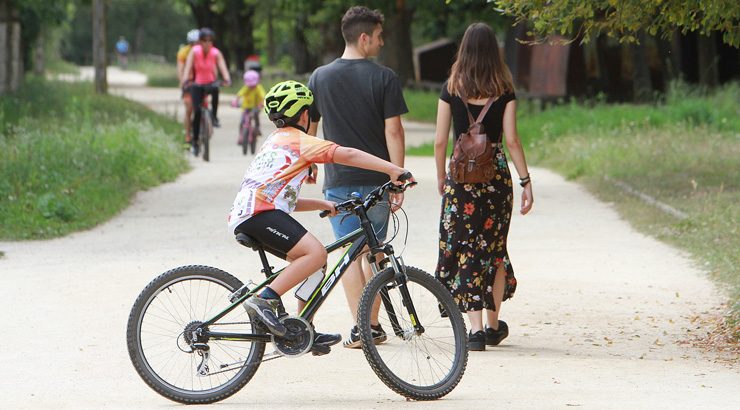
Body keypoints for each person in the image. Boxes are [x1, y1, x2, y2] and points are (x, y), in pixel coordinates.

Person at [228, 80, 410, 356]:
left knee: (314, 263)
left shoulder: (276, 142)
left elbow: (283, 199)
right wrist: (394, 170)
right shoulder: (301, 142)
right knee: (315, 253)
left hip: (252, 213)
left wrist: (321, 203)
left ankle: (302, 327)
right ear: (304, 115)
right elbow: (345, 154)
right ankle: (265, 299)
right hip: (259, 214)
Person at [307, 6, 408, 349]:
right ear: (364, 38)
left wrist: (309, 165)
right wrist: (398, 175)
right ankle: (374, 323)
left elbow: (310, 129)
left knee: (349, 254)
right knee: (374, 253)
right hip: (377, 178)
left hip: (337, 180)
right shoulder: (384, 78)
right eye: (379, 36)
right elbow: (393, 131)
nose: (382, 42)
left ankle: (360, 328)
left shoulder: (319, 77)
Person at [433, 22, 533, 351]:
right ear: (494, 50)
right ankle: (493, 325)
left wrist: (441, 178)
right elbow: (513, 140)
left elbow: (438, 141)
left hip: (461, 179)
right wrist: (525, 181)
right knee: (495, 249)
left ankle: (474, 331)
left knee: (466, 248)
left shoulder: (451, 87)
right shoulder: (505, 88)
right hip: (495, 177)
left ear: (464, 49)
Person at [181, 28, 231, 155]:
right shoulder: (194, 51)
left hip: (210, 82)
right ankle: (196, 141)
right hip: (197, 84)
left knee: (216, 89)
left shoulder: (216, 53)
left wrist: (226, 79)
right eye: (204, 40)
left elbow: (222, 66)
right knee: (197, 112)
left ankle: (214, 116)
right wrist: (186, 80)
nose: (207, 43)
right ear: (200, 41)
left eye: (209, 41)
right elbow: (188, 67)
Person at [176, 29, 201, 145]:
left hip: (201, 81)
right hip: (189, 82)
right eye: (193, 43)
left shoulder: (204, 52)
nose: (196, 46)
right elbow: (180, 69)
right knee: (189, 108)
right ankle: (187, 134)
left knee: (203, 105)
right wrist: (182, 82)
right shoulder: (183, 52)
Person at [231, 70, 265, 144]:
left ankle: (257, 128)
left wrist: (262, 103)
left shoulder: (258, 88)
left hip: (256, 107)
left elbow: (263, 96)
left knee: (255, 116)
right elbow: (239, 94)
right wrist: (235, 101)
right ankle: (240, 136)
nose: (251, 87)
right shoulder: (246, 87)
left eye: (253, 85)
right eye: (250, 85)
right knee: (242, 121)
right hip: (246, 107)